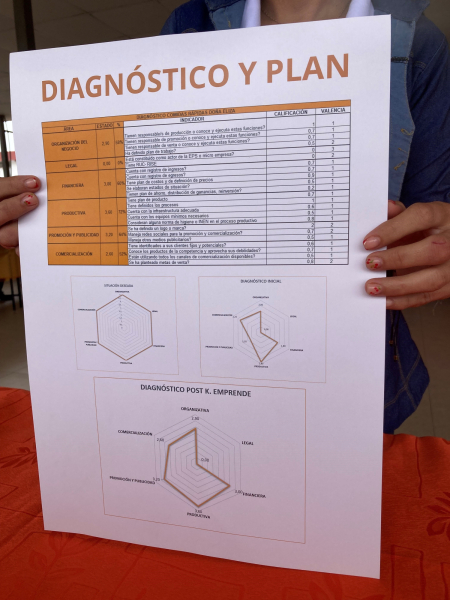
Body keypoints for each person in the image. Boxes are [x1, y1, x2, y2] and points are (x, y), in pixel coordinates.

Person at [0, 0, 449, 432]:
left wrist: (437, 242)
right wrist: (54, 225)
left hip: (345, 373)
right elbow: (155, 194)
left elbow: (431, 212)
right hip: (200, 367)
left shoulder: (421, 45)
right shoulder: (189, 23)